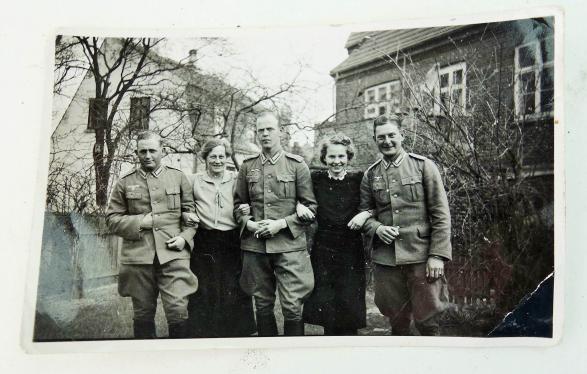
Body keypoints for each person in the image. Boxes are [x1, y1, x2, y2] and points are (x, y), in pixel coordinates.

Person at [359, 115, 452, 336]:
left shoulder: (423, 166)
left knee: (428, 322)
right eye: (381, 137)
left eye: (392, 135)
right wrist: (377, 229)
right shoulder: (371, 175)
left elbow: (440, 213)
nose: (387, 141)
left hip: (421, 256)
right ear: (375, 139)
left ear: (402, 136)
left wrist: (437, 255)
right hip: (387, 260)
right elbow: (364, 215)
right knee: (397, 322)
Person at [106, 131, 198, 339]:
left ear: (162, 151)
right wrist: (140, 222)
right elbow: (111, 220)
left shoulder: (178, 177)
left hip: (173, 255)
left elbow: (191, 218)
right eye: (143, 151)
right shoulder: (125, 182)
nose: (147, 155)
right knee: (143, 313)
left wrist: (185, 238)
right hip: (138, 258)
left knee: (178, 311)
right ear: (136, 153)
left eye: (152, 151)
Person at [234, 111, 317, 336]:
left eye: (270, 129)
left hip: (289, 247)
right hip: (256, 247)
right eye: (260, 130)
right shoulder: (247, 166)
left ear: (280, 131)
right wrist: (248, 224)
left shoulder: (297, 165)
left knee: (292, 305)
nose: (265, 134)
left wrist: (281, 224)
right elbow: (238, 205)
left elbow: (311, 209)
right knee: (262, 303)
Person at [298, 133, 371, 335]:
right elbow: (299, 196)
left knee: (349, 301)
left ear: (348, 157)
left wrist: (364, 214)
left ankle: (349, 353)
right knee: (327, 304)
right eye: (332, 157)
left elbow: (374, 203)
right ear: (324, 158)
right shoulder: (316, 178)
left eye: (341, 157)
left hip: (351, 248)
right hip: (324, 247)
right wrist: (298, 206)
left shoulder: (359, 178)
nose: (336, 161)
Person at [183, 138, 256, 338]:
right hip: (205, 240)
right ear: (205, 158)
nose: (217, 161)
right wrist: (186, 213)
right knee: (205, 287)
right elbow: (184, 204)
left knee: (233, 286)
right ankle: (203, 334)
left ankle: (236, 334)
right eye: (213, 156)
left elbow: (249, 201)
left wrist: (246, 208)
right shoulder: (193, 180)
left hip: (231, 240)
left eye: (221, 156)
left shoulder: (236, 179)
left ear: (227, 158)